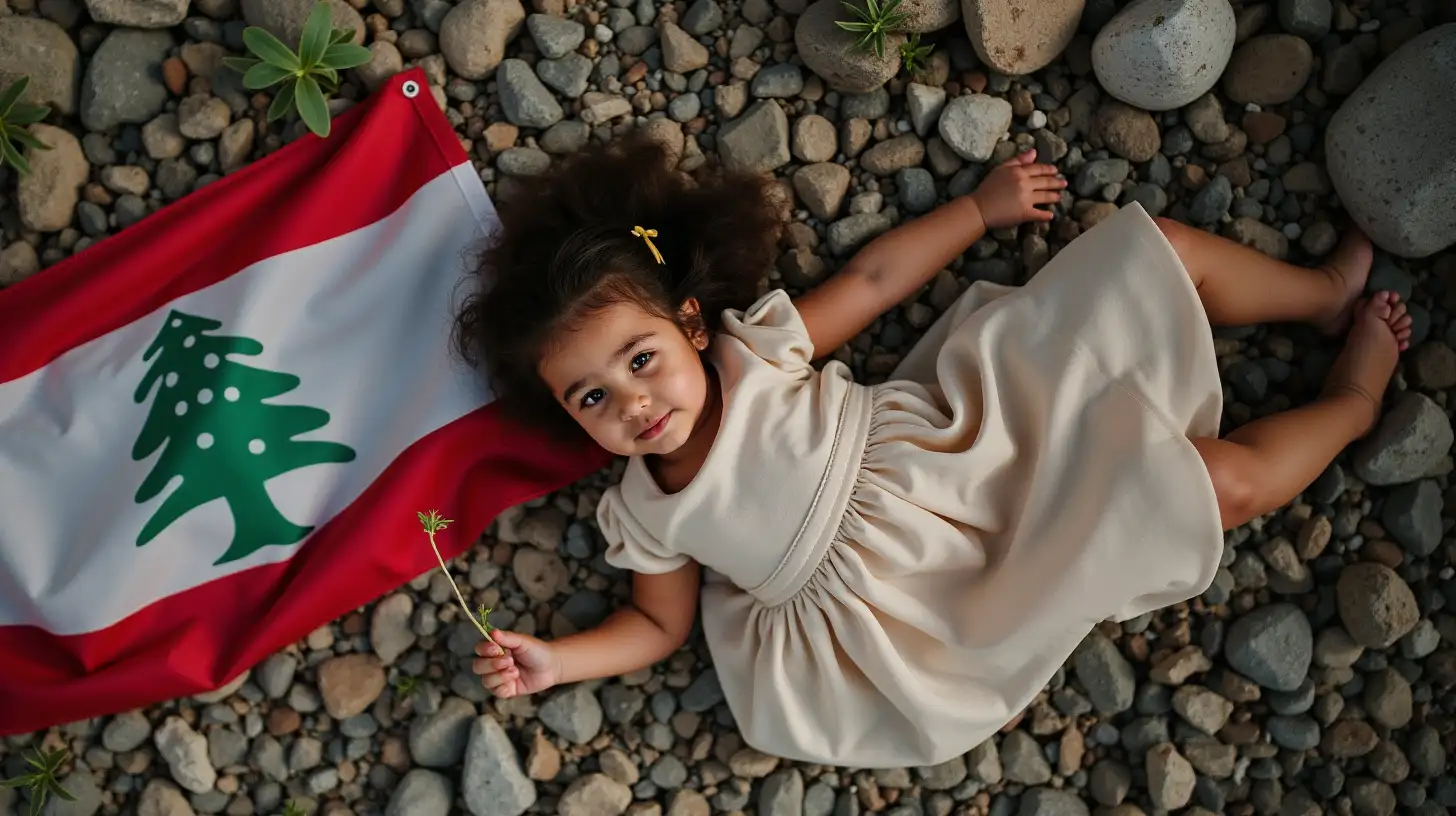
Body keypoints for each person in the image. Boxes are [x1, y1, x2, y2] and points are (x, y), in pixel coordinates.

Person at [453, 132, 1411, 767]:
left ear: (692, 326)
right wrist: (560, 662)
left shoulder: (755, 353)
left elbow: (872, 279)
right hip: (922, 605)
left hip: (973, 442)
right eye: (593, 397)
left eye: (641, 359)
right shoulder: (642, 509)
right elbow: (659, 629)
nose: (633, 402)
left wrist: (980, 212)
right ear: (568, 418)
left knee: (1151, 250)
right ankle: (1357, 405)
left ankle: (1316, 292)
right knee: (1219, 485)